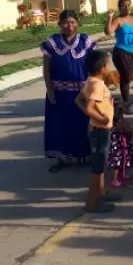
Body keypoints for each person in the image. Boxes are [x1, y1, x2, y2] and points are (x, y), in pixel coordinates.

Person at [42, 9, 98, 173]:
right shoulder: (52, 43)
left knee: (83, 125)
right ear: (60, 24)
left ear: (78, 23)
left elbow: (95, 66)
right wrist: (50, 89)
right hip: (60, 93)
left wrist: (94, 89)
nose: (69, 26)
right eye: (66, 22)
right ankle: (61, 159)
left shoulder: (85, 41)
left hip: (82, 93)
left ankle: (85, 156)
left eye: (73, 22)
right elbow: (46, 70)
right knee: (60, 126)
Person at [74, 49, 116, 213]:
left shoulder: (90, 81)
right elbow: (90, 107)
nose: (109, 67)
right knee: (97, 167)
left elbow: (78, 100)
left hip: (98, 128)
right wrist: (101, 118)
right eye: (108, 64)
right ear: (101, 68)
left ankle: (100, 193)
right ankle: (92, 203)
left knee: (100, 164)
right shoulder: (97, 85)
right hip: (100, 130)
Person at [105, 0, 133, 114]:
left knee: (127, 77)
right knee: (126, 77)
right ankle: (126, 102)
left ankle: (124, 101)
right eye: (124, 5)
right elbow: (108, 31)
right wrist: (110, 17)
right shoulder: (118, 20)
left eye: (129, 5)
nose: (127, 7)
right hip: (121, 52)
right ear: (120, 8)